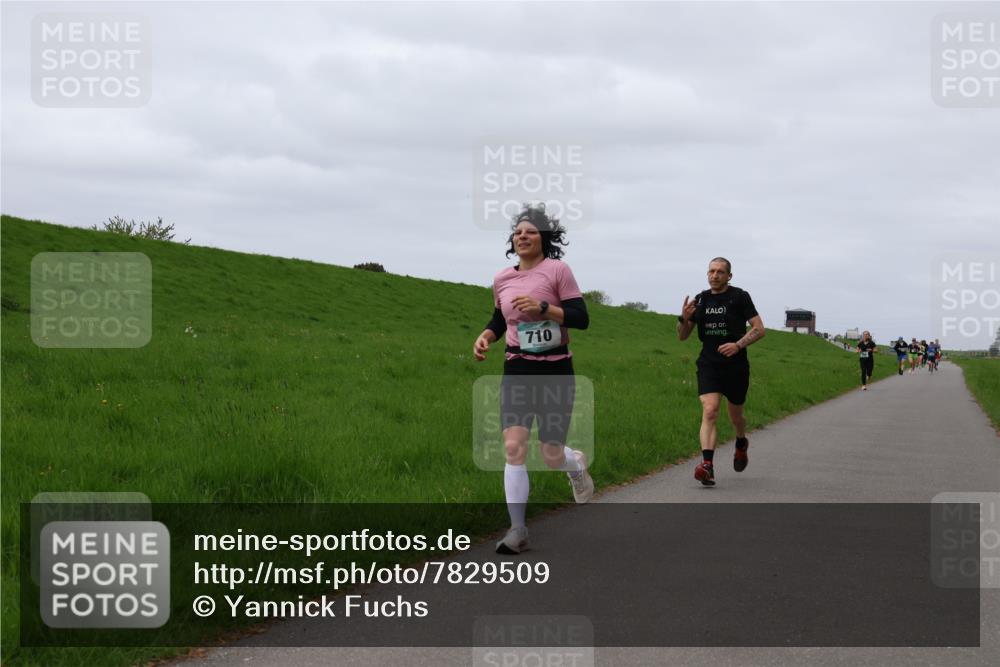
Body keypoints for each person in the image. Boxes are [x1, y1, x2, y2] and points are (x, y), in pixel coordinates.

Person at [473, 203, 593, 554]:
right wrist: (486, 336)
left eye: (531, 231)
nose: (522, 235)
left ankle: (576, 464)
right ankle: (518, 529)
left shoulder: (557, 270)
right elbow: (500, 318)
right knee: (514, 448)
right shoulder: (502, 278)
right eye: (518, 231)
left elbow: (580, 318)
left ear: (545, 238)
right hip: (517, 368)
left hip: (555, 370)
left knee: (551, 454)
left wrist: (544, 309)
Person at [678, 258, 765, 486]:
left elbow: (759, 329)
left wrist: (738, 345)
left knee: (736, 416)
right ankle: (707, 466)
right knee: (710, 411)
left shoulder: (739, 296)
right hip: (709, 364)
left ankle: (740, 442)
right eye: (711, 271)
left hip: (736, 366)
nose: (714, 275)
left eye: (720, 272)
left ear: (729, 276)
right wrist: (684, 318)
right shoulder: (701, 300)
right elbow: (682, 335)